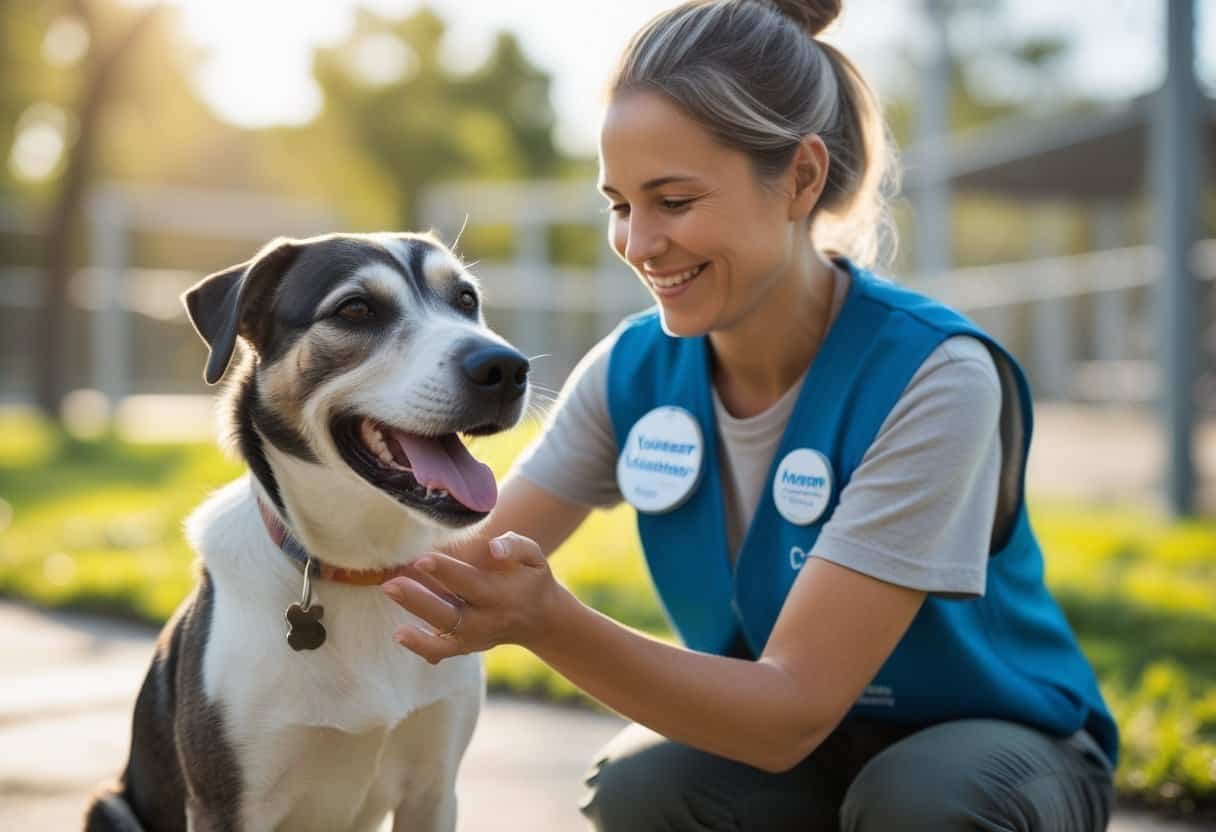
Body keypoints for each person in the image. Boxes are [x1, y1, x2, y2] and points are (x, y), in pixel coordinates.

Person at [382, 0, 1117, 828]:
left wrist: (548, 622)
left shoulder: (934, 375)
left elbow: (788, 710)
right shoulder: (634, 370)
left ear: (801, 178)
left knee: (921, 799)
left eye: (675, 200)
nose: (640, 242)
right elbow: (457, 567)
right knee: (645, 787)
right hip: (802, 751)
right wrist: (283, 540)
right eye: (620, 203)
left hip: (992, 744)